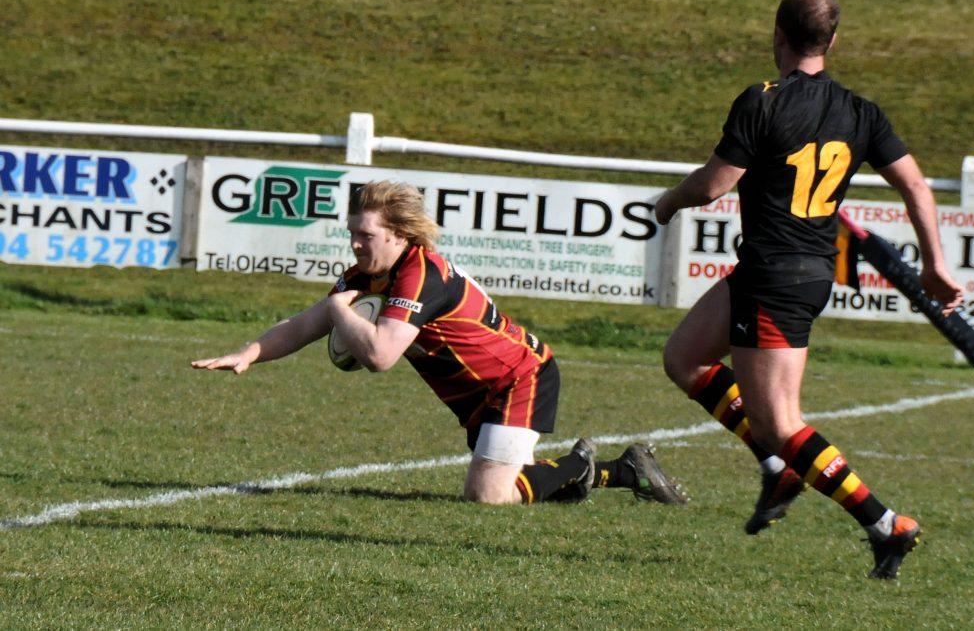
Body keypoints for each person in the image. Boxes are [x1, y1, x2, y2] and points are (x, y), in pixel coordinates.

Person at [654, 0, 963, 579]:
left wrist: (669, 202)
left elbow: (715, 184)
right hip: (784, 270)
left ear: (776, 34)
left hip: (777, 278)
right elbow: (916, 186)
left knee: (782, 423)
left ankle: (885, 523)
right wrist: (935, 263)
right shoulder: (861, 110)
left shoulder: (761, 99)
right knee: (685, 359)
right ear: (834, 40)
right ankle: (778, 468)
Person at [193, 180, 688, 507]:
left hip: (518, 376)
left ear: (400, 234)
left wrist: (340, 310)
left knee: (488, 496)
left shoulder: (419, 276)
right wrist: (250, 353)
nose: (356, 245)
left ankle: (579, 463)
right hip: (474, 392)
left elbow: (381, 355)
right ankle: (622, 472)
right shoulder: (365, 274)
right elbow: (307, 324)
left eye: (366, 235)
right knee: (522, 478)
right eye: (352, 234)